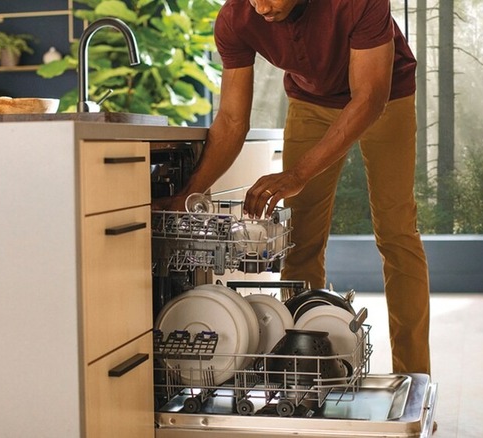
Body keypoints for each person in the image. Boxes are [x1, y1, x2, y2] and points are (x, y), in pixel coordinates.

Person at [155, 0, 430, 375]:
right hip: (311, 102)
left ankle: (414, 375)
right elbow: (233, 120)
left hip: (384, 97)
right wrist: (191, 193)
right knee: (300, 239)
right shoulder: (236, 17)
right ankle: (307, 369)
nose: (261, 6)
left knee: (397, 232)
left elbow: (368, 98)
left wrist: (297, 174)